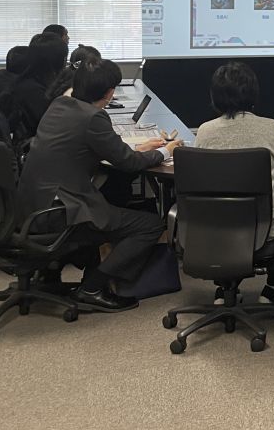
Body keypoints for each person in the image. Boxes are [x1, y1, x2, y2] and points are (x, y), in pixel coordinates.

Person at [15, 59, 181, 312]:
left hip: (33, 204)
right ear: (110, 92)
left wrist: (140, 148)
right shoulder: (93, 118)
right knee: (149, 225)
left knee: (112, 197)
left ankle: (62, 270)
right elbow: (128, 163)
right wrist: (165, 151)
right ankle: (93, 287)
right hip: (60, 211)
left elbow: (100, 150)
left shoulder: (60, 104)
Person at [194, 62, 274, 288]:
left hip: (214, 228)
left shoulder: (204, 131)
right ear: (253, 93)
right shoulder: (272, 128)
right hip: (265, 231)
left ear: (215, 96)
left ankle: (226, 287)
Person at [1, 31, 68, 146]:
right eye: (64, 58)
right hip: (36, 147)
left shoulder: (33, 81)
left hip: (43, 142)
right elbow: (52, 124)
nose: (66, 62)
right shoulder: (31, 90)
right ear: (56, 61)